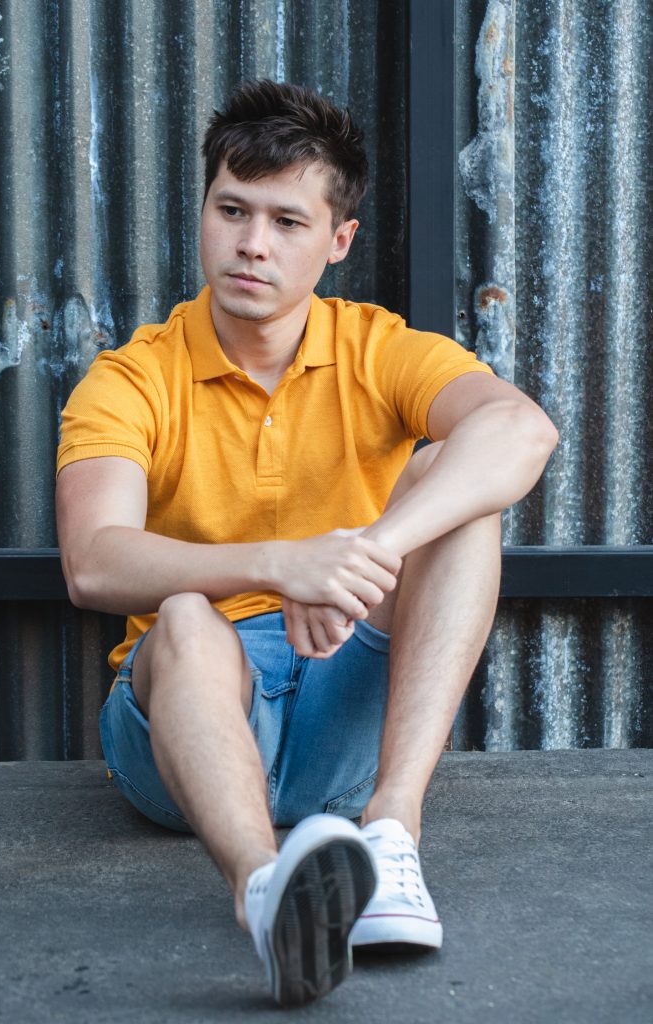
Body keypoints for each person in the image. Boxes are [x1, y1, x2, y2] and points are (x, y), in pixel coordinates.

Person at [55, 79, 558, 1007]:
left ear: (338, 240)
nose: (252, 243)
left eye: (287, 221)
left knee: (459, 491)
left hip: (342, 704)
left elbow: (522, 431)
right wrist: (280, 563)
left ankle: (391, 836)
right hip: (188, 728)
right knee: (184, 616)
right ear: (203, 213)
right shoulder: (130, 377)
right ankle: (265, 890)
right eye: (232, 210)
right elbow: (93, 561)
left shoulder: (377, 347)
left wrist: (361, 555)